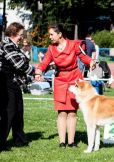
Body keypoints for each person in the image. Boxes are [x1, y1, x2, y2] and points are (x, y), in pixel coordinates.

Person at [35, 24, 95, 148]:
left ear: (60, 34)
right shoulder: (51, 48)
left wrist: (91, 62)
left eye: (52, 34)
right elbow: (45, 61)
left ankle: (71, 142)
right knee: (62, 112)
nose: (50, 37)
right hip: (60, 80)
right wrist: (38, 71)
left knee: (72, 112)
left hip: (75, 79)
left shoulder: (73, 44)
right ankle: (62, 142)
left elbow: (83, 57)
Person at [0, 22, 35, 151]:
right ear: (14, 33)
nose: (22, 37)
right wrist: (35, 71)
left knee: (18, 112)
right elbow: (19, 64)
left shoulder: (14, 46)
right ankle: (1, 142)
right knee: (9, 113)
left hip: (15, 83)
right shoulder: (7, 45)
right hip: (6, 83)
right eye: (20, 34)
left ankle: (20, 140)